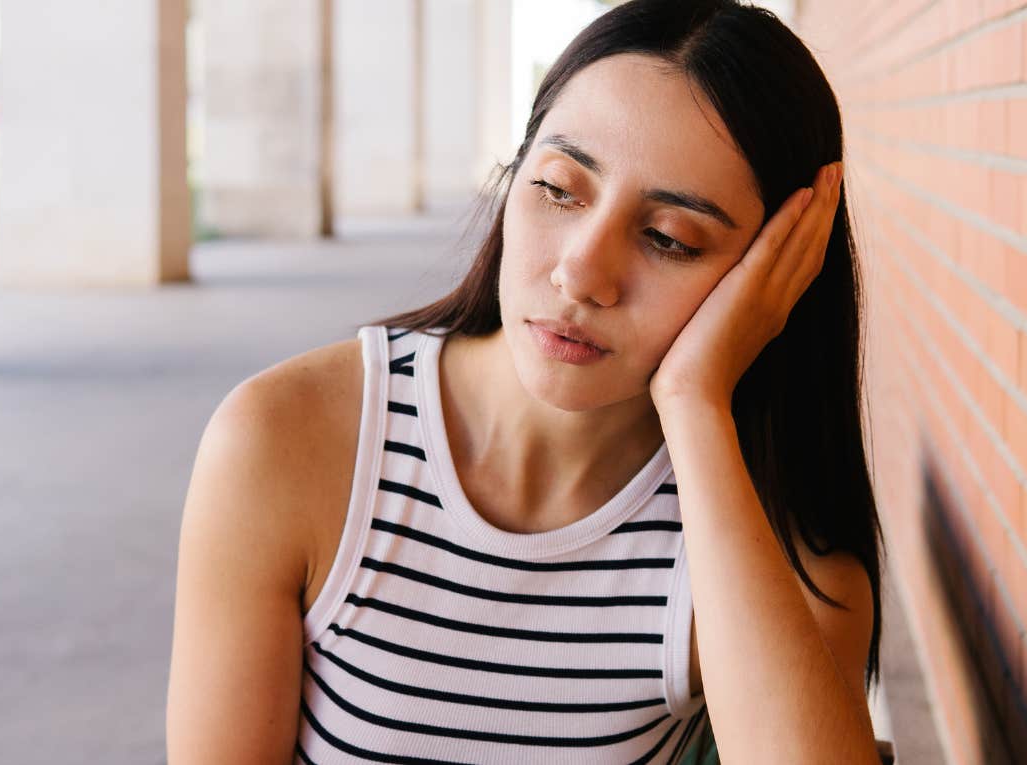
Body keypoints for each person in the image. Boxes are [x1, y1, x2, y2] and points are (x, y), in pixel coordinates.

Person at [166, 0, 885, 762]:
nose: (581, 269)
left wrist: (695, 404)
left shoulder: (769, 547)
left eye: (669, 238)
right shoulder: (286, 441)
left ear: (774, 279)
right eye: (558, 188)